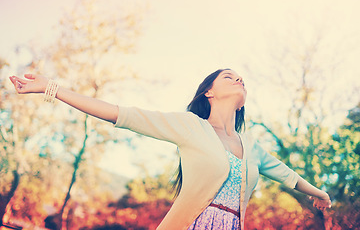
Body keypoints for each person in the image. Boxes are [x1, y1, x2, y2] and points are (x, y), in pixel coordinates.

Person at [9, 69, 331, 230]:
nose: (239, 81)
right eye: (230, 77)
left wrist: (317, 192)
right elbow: (122, 114)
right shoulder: (190, 126)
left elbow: (286, 175)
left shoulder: (253, 147)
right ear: (209, 91)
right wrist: (51, 88)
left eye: (242, 80)